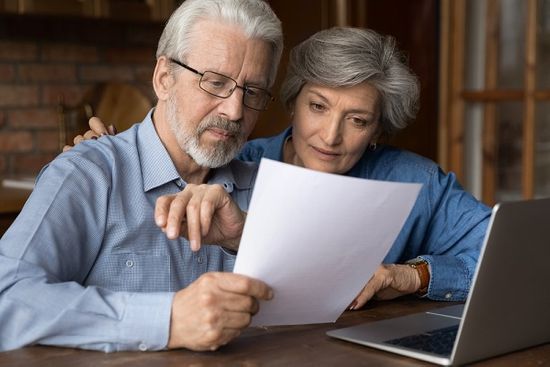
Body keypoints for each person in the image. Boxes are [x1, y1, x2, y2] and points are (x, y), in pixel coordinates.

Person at [81, 27, 491, 308]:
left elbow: (507, 257)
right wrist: (114, 156)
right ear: (292, 101)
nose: (330, 136)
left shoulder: (415, 181)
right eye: (318, 107)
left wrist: (409, 276)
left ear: (378, 130)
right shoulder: (235, 163)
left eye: (357, 120)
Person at [0, 0, 284, 352]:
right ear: (164, 79)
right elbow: (7, 298)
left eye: (252, 92)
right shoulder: (88, 174)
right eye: (214, 82)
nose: (235, 110)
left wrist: (247, 237)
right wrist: (168, 319)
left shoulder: (269, 188)